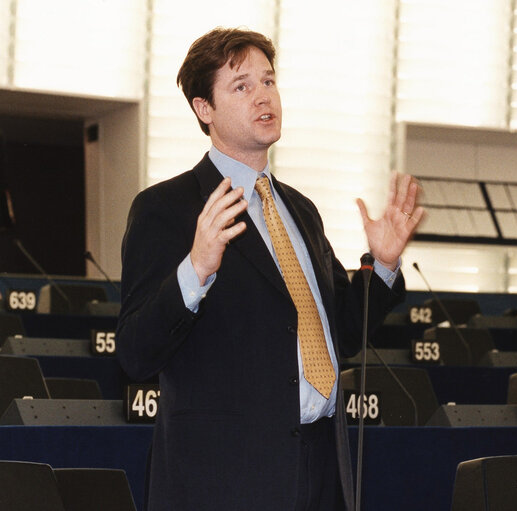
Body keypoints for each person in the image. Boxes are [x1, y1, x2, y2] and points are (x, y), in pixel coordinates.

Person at [116, 27, 423, 511]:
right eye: (241, 86)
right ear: (204, 109)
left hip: (322, 465)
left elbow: (338, 332)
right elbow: (134, 353)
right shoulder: (167, 209)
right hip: (227, 480)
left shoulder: (300, 210)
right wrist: (195, 269)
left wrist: (381, 265)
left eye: (269, 81)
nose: (264, 96)